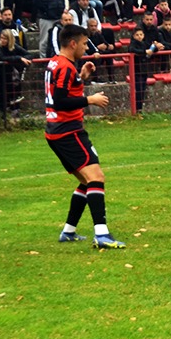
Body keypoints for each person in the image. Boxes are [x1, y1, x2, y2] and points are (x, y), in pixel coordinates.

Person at [45, 24, 124, 248]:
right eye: (83, 44)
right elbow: (60, 101)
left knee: (85, 180)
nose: (84, 48)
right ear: (72, 43)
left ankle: (68, 231)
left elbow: (64, 91)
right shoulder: (64, 67)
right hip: (67, 131)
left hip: (57, 132)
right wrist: (90, 99)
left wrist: (81, 77)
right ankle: (102, 235)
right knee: (96, 177)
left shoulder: (58, 63)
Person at [0, 28, 32, 118]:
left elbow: (28, 54)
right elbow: (2, 57)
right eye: (1, 38)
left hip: (9, 75)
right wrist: (19, 58)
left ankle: (13, 113)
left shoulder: (14, 46)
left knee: (12, 95)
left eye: (5, 39)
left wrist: (22, 58)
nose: (3, 40)